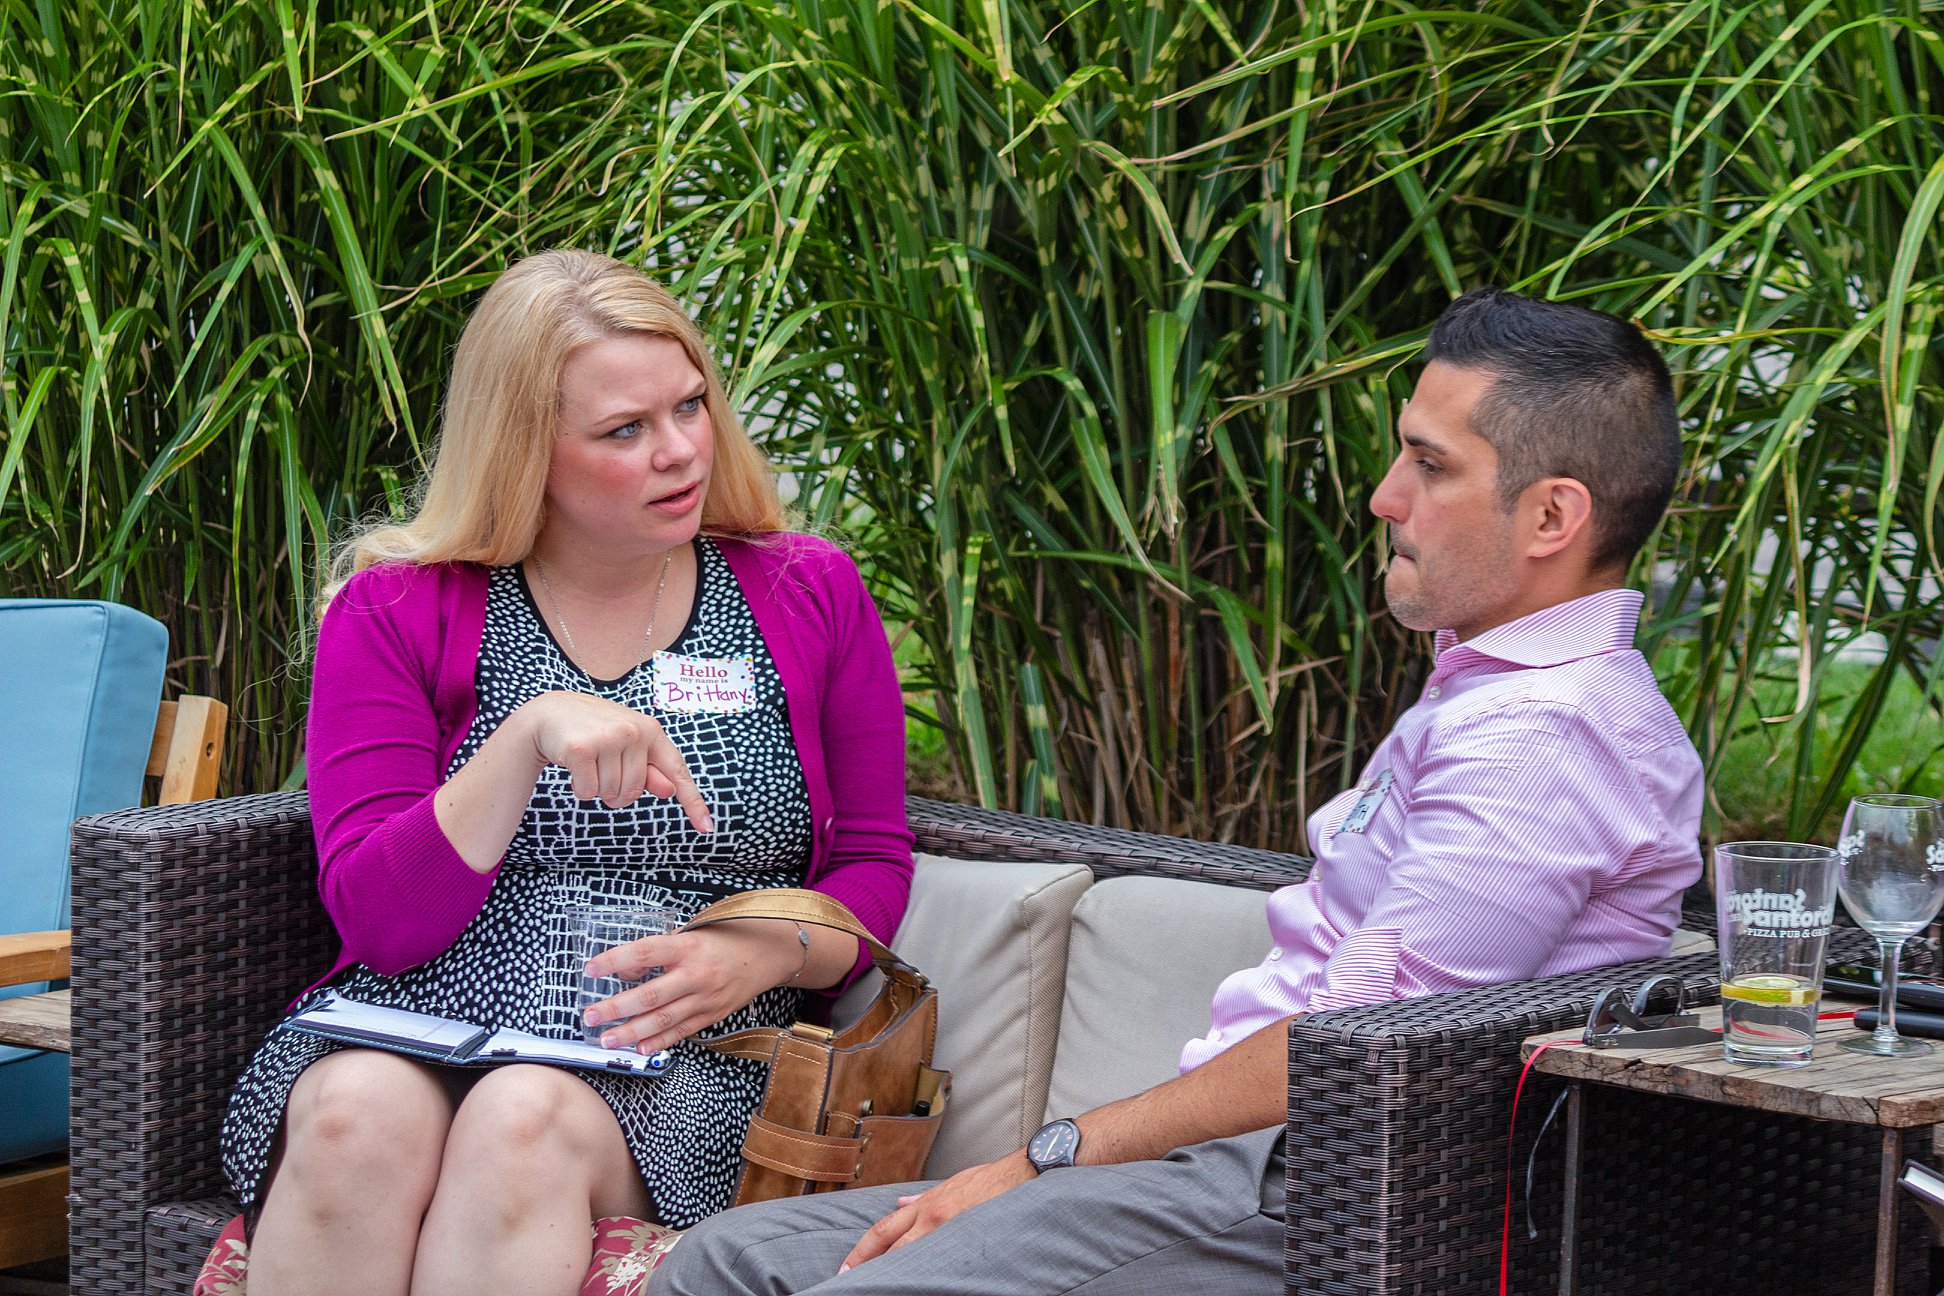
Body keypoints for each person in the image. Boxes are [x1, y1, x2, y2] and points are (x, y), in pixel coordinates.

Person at [648, 286, 1704, 1296]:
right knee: (726, 1263)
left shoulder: (1545, 737)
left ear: (1552, 516)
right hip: (1234, 1165)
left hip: (1303, 1187)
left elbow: (1352, 1052)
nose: (1385, 496)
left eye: (1429, 465)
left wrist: (1049, 1153)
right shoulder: (1492, 692)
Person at [217, 249, 914, 1296]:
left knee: (521, 1120)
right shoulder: (399, 608)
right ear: (523, 450)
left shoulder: (804, 589)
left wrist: (764, 953)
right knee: (353, 1116)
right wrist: (521, 738)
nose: (679, 451)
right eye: (624, 430)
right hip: (421, 1018)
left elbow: (872, 861)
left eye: (689, 406)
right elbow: (378, 922)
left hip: (682, 1052)